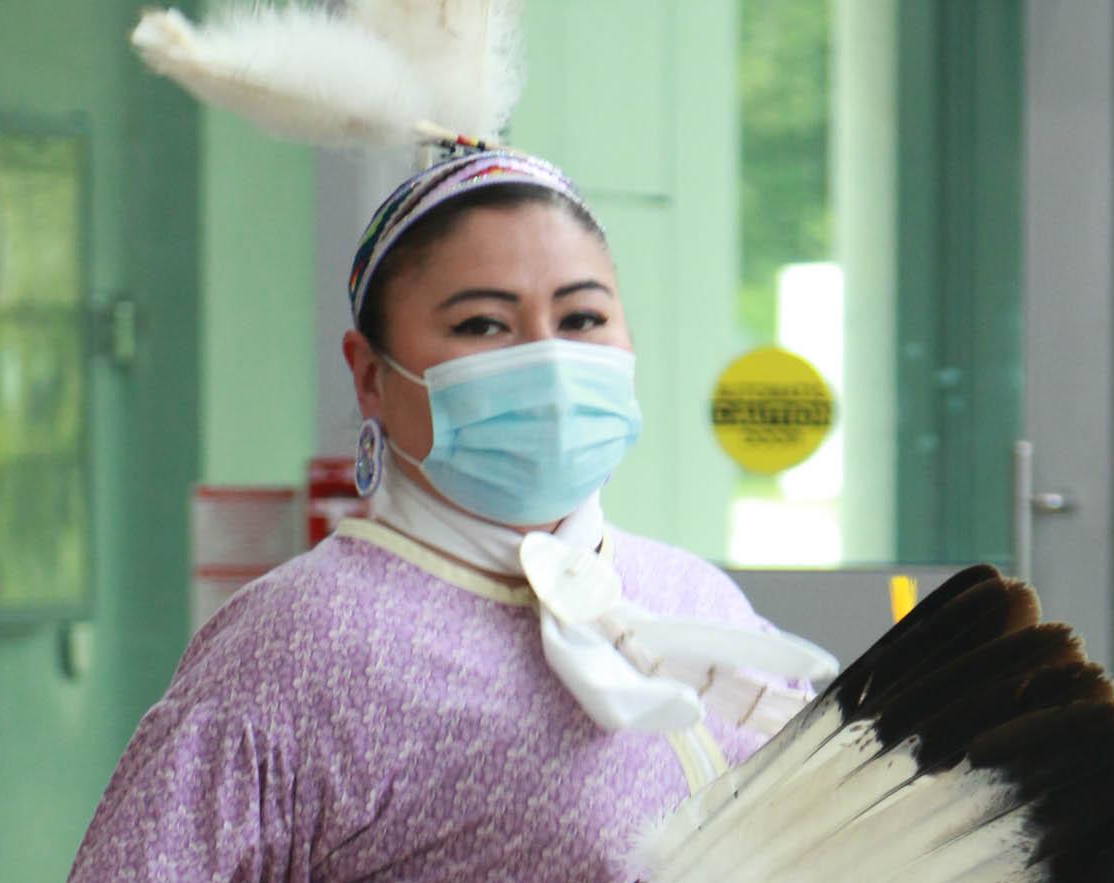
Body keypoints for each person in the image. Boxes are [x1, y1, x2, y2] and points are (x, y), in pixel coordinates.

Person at [67, 142, 831, 882]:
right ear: (370, 376)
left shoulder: (694, 598)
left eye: (583, 318)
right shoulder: (294, 647)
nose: (550, 359)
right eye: (483, 326)